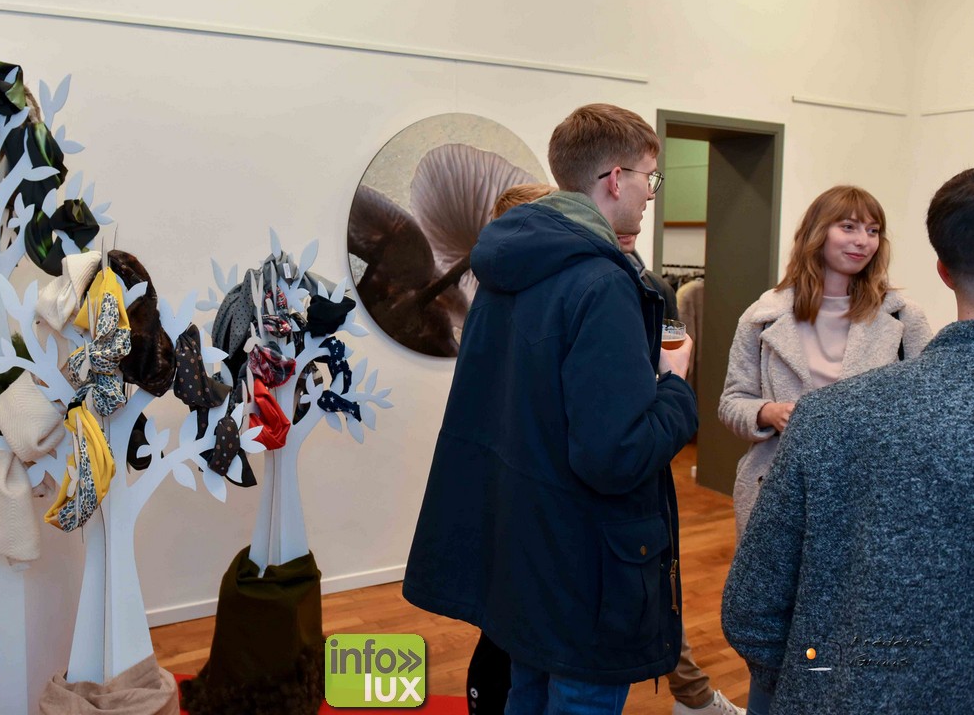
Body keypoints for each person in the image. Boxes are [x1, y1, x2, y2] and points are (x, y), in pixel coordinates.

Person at [403, 103, 698, 715]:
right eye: (649, 177)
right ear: (614, 179)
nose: (651, 193)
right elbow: (614, 456)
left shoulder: (506, 270)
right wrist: (675, 387)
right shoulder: (602, 283)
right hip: (586, 563)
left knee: (527, 694)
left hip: (526, 546)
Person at [462, 182, 742, 715]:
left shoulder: (645, 287)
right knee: (560, 672)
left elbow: (669, 346)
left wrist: (665, 372)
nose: (641, 208)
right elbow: (615, 448)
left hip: (556, 525)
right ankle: (694, 694)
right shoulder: (585, 288)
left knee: (535, 672)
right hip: (586, 528)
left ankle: (693, 693)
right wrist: (675, 388)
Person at [720, 170, 974, 712]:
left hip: (871, 496)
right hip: (778, 485)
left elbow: (934, 395)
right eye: (849, 226)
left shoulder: (902, 317)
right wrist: (768, 412)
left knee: (851, 611)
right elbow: (731, 401)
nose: (862, 241)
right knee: (779, 606)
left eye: (873, 230)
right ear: (817, 233)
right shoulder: (763, 316)